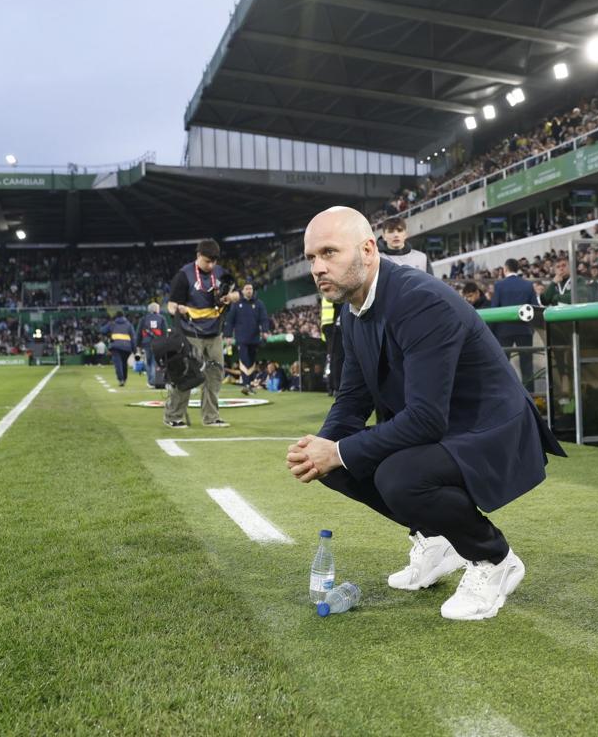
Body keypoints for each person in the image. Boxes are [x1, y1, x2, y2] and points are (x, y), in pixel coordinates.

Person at [286, 207, 564, 621]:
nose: (318, 267)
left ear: (367, 249)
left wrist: (340, 450)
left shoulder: (419, 301)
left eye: (329, 252)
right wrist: (323, 448)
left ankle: (494, 560)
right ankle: (435, 540)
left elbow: (426, 419)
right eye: (311, 258)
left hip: (490, 428)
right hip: (443, 425)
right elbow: (352, 400)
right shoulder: (353, 308)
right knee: (337, 464)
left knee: (399, 477)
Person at [164, 239, 240, 429]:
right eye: (207, 261)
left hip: (214, 333)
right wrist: (178, 308)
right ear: (198, 256)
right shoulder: (184, 275)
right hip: (190, 332)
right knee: (186, 374)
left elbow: (237, 293)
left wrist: (230, 297)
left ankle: (211, 417)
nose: (211, 265)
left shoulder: (221, 273)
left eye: (214, 261)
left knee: (215, 375)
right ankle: (173, 416)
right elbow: (170, 304)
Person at [490, 258, 539, 393]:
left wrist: (491, 332)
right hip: (524, 330)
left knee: (503, 366)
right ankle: (532, 397)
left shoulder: (499, 285)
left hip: (503, 330)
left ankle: (504, 395)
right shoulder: (527, 285)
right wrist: (531, 329)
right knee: (527, 366)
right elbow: (535, 308)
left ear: (505, 269)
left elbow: (494, 309)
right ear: (517, 269)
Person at [223, 282, 270, 395]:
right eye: (247, 289)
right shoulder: (236, 304)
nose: (249, 291)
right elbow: (230, 321)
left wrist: (265, 331)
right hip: (241, 338)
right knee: (244, 360)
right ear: (242, 291)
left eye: (251, 289)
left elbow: (264, 319)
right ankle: (246, 384)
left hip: (254, 338)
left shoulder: (259, 304)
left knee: (252, 361)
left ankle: (249, 384)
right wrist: (228, 335)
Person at [135, 302, 167, 388]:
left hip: (147, 343)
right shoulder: (162, 318)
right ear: (156, 309)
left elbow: (139, 333)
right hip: (158, 343)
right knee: (154, 361)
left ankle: (151, 381)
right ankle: (153, 381)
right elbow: (165, 333)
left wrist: (138, 345)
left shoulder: (144, 319)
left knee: (148, 362)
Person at [100, 311, 136, 386]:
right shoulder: (129, 325)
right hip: (127, 347)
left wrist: (108, 330)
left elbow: (102, 330)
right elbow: (133, 338)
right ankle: (124, 379)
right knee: (124, 363)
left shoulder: (112, 323)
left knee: (118, 364)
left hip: (115, 346)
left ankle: (121, 379)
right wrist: (134, 349)